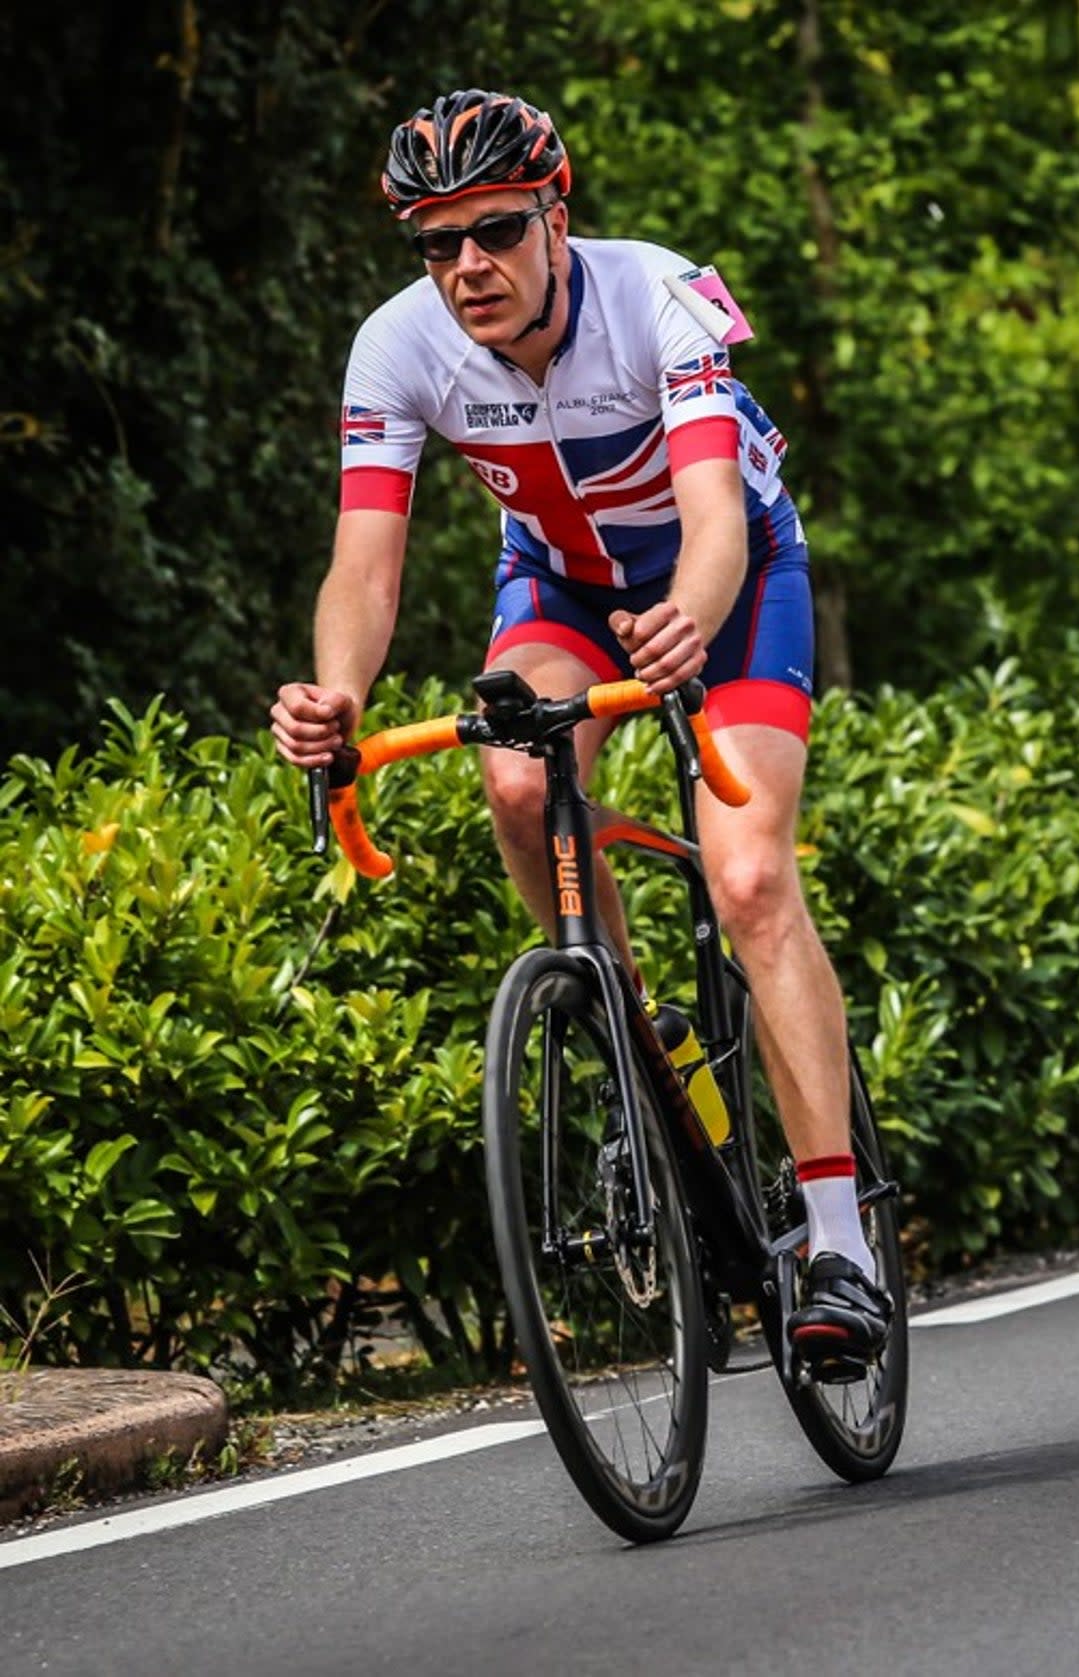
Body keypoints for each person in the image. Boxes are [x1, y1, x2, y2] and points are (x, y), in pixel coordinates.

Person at [270, 89, 891, 1373]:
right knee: (512, 783)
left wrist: (690, 618)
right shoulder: (395, 349)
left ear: (560, 216)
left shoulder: (660, 295)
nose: (467, 268)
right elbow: (366, 572)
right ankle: (634, 1029)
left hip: (730, 582)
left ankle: (841, 1246)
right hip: (560, 589)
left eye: (495, 229)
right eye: (436, 244)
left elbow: (716, 511)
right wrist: (338, 694)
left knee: (750, 875)